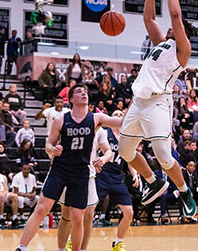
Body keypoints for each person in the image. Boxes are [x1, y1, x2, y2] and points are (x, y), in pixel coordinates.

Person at [117, 0, 197, 220]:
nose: (169, 26)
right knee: (125, 151)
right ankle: (152, 182)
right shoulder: (161, 43)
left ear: (182, 32)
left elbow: (175, 15)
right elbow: (149, 18)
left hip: (159, 103)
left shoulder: (183, 49)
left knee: (163, 156)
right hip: (138, 102)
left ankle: (185, 192)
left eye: (174, 27)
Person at [15, 84, 124, 251]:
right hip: (60, 168)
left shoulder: (96, 118)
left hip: (81, 172)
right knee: (42, 208)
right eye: (79, 92)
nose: (84, 94)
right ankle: (22, 247)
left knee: (77, 218)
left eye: (85, 92)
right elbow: (48, 145)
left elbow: (121, 121)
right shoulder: (61, 120)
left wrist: (137, 102)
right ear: (71, 99)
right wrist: (53, 149)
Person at [56, 117, 113, 251]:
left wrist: (103, 159)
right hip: (68, 173)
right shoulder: (66, 123)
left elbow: (108, 152)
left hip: (88, 176)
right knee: (67, 215)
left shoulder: (100, 130)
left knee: (88, 217)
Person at [94, 110, 137, 250]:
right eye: (116, 114)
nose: (118, 116)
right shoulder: (105, 132)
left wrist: (135, 174)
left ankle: (118, 243)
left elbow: (130, 159)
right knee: (87, 209)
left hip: (118, 178)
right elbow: (94, 149)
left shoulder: (126, 137)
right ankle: (72, 240)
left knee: (129, 212)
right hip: (102, 174)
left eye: (120, 114)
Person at [0, 158, 19, 228]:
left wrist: (5, 193)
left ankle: (15, 218)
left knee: (14, 196)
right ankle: (1, 217)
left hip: (2, 193)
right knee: (1, 196)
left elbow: (6, 189)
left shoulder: (3, 176)